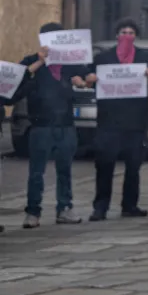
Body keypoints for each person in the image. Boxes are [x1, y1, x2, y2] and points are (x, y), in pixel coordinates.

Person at [7, 23, 90, 228]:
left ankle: (65, 208)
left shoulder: (71, 64)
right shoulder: (31, 61)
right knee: (36, 171)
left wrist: (83, 81)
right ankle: (33, 211)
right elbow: (16, 85)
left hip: (66, 124)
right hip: (40, 125)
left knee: (65, 169)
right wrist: (39, 62)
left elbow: (87, 77)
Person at [84, 19, 148, 221]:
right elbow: (88, 78)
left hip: (135, 122)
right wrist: (90, 78)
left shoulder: (145, 58)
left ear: (135, 36)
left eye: (131, 32)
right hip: (108, 121)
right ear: (117, 35)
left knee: (133, 167)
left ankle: (129, 205)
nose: (127, 35)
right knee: (104, 165)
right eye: (123, 31)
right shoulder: (103, 58)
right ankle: (100, 207)